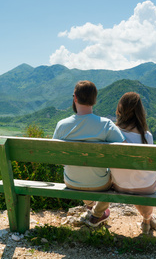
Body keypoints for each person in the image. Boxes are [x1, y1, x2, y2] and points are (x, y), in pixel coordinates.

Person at [52, 80, 125, 227]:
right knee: (115, 176)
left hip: (71, 181)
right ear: (94, 100)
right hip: (100, 184)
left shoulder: (61, 125)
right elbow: (123, 153)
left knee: (81, 173)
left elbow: (56, 156)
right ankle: (98, 213)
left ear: (75, 98)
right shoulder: (106, 125)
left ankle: (91, 206)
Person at [110, 92, 156, 233]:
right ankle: (146, 221)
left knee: (129, 179)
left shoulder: (113, 133)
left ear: (120, 110)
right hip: (147, 187)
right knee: (142, 180)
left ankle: (148, 220)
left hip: (120, 186)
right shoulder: (147, 136)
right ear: (140, 112)